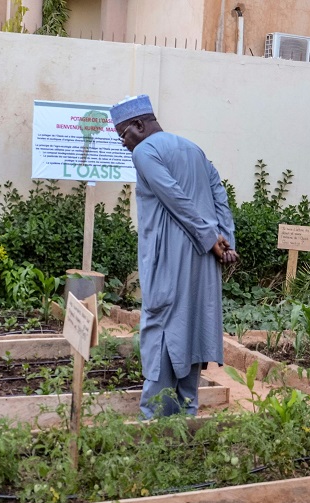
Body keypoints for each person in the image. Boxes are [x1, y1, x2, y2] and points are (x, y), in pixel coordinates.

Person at [109, 95, 238, 418]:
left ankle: (156, 420)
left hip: (170, 259)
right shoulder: (193, 149)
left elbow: (174, 197)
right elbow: (219, 195)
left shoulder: (144, 152)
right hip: (205, 260)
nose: (124, 143)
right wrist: (226, 240)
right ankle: (186, 418)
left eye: (124, 134)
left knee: (162, 328)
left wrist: (211, 238)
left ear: (139, 125)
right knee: (193, 327)